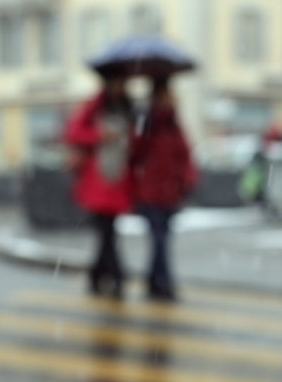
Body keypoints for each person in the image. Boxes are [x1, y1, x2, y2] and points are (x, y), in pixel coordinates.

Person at [64, 73, 135, 298]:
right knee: (107, 233)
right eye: (114, 82)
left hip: (118, 179)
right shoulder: (94, 107)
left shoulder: (128, 109)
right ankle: (115, 277)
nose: (118, 87)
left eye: (121, 83)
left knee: (107, 234)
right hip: (97, 180)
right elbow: (73, 133)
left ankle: (97, 277)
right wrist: (100, 135)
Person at [132, 77, 197, 301]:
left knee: (161, 240)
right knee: (159, 239)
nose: (167, 102)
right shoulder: (147, 123)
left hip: (170, 193)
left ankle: (153, 282)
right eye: (163, 98)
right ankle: (164, 283)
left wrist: (187, 180)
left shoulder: (173, 125)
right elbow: (135, 153)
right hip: (150, 193)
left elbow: (185, 154)